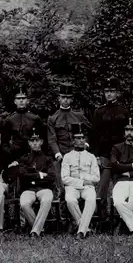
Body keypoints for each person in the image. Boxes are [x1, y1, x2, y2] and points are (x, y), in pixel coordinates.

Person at [47, 82, 92, 225]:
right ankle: (64, 220)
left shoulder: (79, 116)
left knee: (81, 185)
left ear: (71, 99)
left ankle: (80, 218)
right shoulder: (53, 118)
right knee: (62, 188)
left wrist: (86, 144)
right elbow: (51, 138)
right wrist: (57, 154)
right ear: (58, 99)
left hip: (78, 156)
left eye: (68, 97)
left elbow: (90, 131)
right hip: (62, 157)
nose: (65, 100)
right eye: (63, 97)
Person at [90, 77, 130, 219]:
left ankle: (121, 216)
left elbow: (128, 135)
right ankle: (102, 217)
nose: (109, 94)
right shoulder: (98, 112)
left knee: (121, 185)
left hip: (120, 155)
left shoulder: (124, 112)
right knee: (103, 187)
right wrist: (96, 155)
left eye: (112, 91)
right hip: (105, 154)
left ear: (117, 93)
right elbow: (93, 136)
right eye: (106, 91)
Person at [61, 123, 100, 239]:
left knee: (91, 199)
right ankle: (85, 229)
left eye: (83, 138)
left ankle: (80, 231)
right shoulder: (67, 157)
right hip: (72, 187)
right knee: (70, 199)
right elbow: (64, 178)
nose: (81, 140)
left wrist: (85, 180)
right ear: (73, 141)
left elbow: (96, 178)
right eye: (78, 138)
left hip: (88, 187)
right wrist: (82, 182)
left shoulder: (91, 157)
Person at [16, 127, 55, 238]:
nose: (35, 143)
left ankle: (35, 232)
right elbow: (23, 176)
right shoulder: (24, 159)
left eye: (37, 140)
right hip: (28, 189)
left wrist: (31, 176)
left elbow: (52, 177)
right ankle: (39, 229)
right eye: (32, 141)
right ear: (29, 143)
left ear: (41, 142)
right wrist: (40, 175)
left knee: (47, 199)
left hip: (44, 189)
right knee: (24, 203)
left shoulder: (48, 159)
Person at [0, 87, 45, 160]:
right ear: (15, 101)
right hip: (15, 156)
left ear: (27, 101)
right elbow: (4, 142)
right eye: (18, 98)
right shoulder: (9, 120)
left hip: (32, 155)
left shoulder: (35, 118)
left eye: (23, 98)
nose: (21, 100)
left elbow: (43, 138)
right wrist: (10, 154)